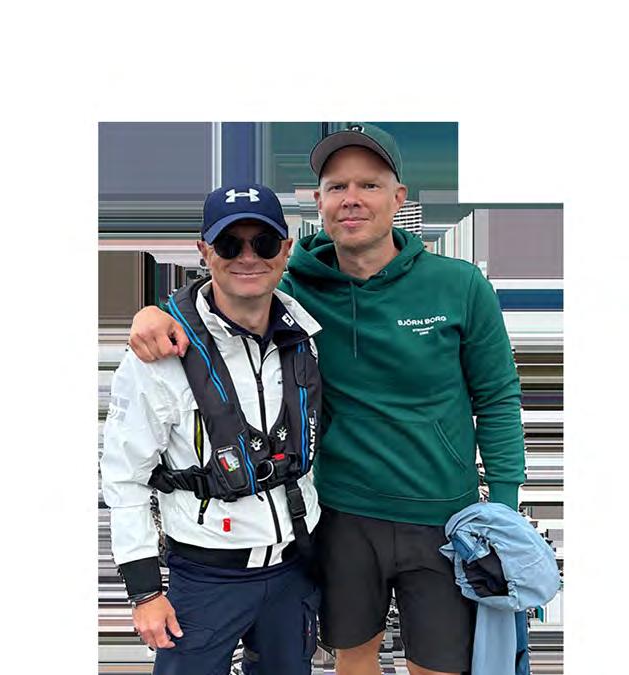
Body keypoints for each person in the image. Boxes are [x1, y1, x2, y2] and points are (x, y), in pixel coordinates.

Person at [128, 124, 526, 675]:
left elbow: (499, 398)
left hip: (444, 517)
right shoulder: (292, 288)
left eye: (369, 184)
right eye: (337, 187)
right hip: (340, 517)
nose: (352, 198)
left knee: (438, 668)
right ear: (319, 202)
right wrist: (155, 313)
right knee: (353, 659)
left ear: (399, 198)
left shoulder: (460, 286)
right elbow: (227, 291)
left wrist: (502, 506)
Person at [101, 182, 323, 675]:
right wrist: (144, 591)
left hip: (294, 571)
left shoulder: (305, 335)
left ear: (286, 250)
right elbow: (123, 475)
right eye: (229, 244)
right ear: (204, 251)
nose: (248, 257)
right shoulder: (159, 355)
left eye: (264, 243)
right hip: (205, 579)